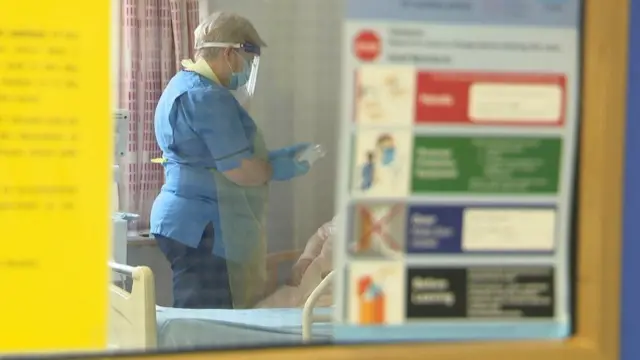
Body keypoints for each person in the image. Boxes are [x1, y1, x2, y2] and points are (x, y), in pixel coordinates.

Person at [150, 12, 311, 310]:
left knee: (194, 312)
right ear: (229, 53)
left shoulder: (181, 85)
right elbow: (239, 170)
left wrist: (273, 158)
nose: (248, 69)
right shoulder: (208, 98)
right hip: (201, 226)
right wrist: (276, 168)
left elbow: (205, 156)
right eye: (248, 58)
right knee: (204, 322)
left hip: (178, 220)